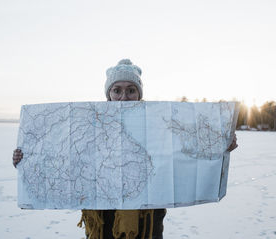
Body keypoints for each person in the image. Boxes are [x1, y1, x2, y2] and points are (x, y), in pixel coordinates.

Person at [13, 59, 238, 239]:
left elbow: (183, 152)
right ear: (108, 94)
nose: (124, 97)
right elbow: (63, 157)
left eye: (131, 90)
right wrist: (27, 159)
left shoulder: (157, 125)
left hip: (147, 222)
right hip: (103, 222)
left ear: (140, 94)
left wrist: (219, 145)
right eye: (117, 90)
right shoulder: (90, 125)